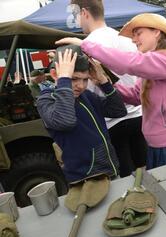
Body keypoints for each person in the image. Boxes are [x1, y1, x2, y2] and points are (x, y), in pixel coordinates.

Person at [56, 13, 166, 169]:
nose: (133, 40)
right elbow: (134, 96)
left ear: (157, 32)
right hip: (159, 145)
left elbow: (131, 62)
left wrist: (86, 45)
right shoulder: (154, 66)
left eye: (138, 33)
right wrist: (103, 81)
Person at [69, 0, 147, 178]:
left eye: (75, 16)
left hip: (112, 121)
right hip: (139, 115)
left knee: (126, 177)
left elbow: (84, 88)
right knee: (146, 169)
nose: (75, 21)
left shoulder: (85, 46)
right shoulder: (128, 40)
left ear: (84, 13)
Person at [37, 46, 127, 184]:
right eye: (73, 79)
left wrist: (103, 81)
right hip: (86, 179)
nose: (81, 86)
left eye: (85, 79)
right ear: (55, 75)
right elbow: (65, 121)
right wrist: (64, 80)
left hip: (110, 169)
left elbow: (118, 111)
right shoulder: (47, 100)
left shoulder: (86, 95)